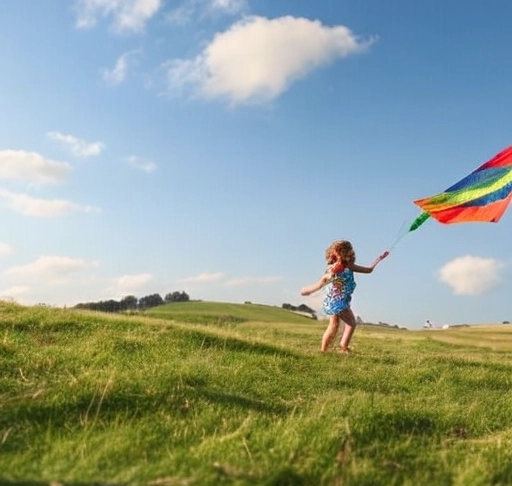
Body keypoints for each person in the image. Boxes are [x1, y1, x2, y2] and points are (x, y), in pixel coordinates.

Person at [300, 240, 389, 353]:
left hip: (334, 301)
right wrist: (313, 287)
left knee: (334, 325)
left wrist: (379, 259)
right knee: (350, 323)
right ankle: (342, 347)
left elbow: (369, 270)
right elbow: (327, 277)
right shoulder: (335, 269)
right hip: (338, 301)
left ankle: (325, 350)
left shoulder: (349, 266)